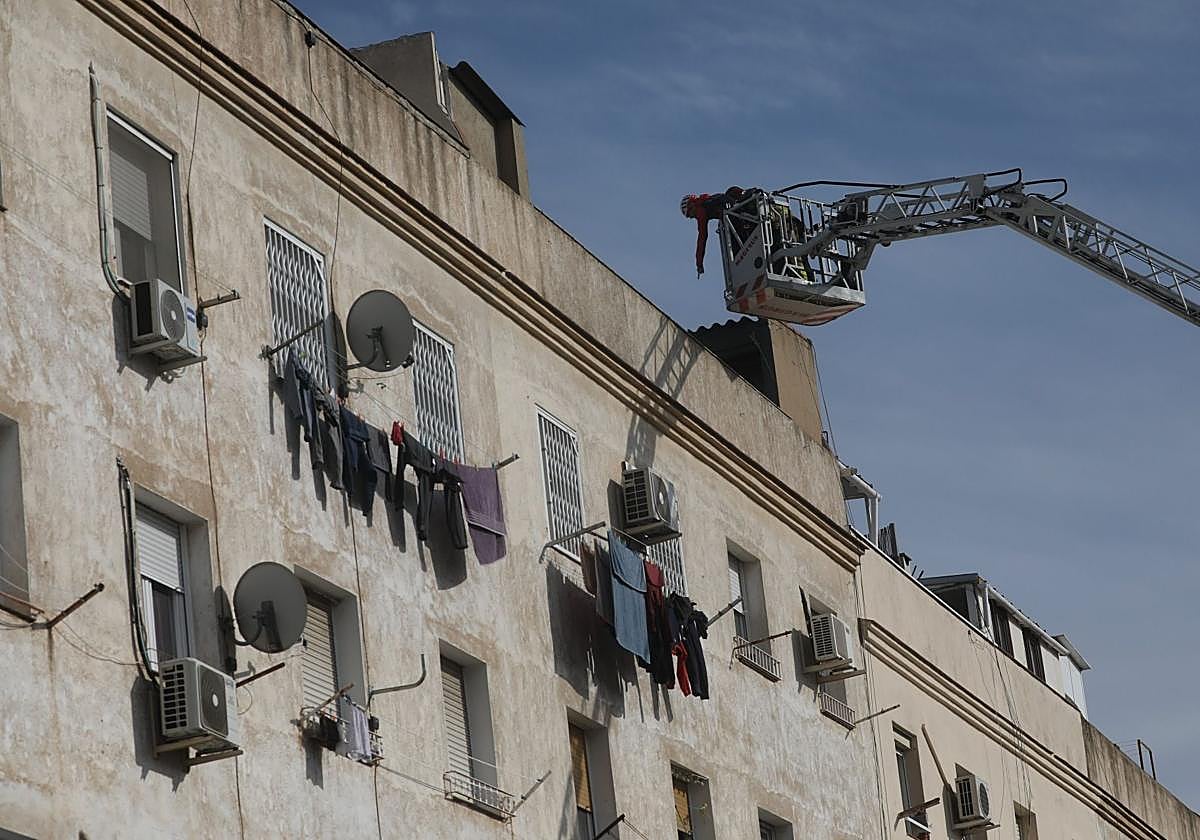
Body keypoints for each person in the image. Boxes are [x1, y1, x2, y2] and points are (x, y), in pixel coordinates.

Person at [680, 186, 749, 277]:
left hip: (732, 217)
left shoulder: (700, 210)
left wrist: (699, 264)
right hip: (736, 211)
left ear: (691, 206)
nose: (693, 217)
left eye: (690, 214)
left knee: (734, 247)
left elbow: (702, 238)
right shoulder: (708, 199)